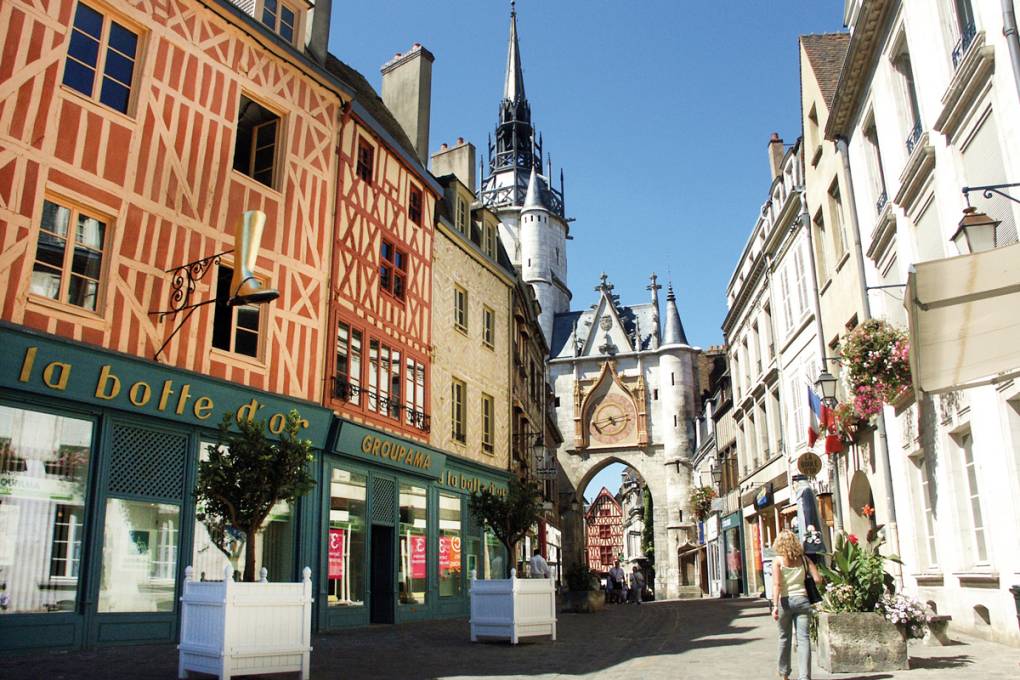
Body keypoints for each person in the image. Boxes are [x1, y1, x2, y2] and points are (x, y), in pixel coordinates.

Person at [771, 529, 823, 680]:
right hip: (803, 600)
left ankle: (784, 674)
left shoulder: (778, 561)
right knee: (803, 639)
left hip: (785, 601)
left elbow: (777, 585)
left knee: (784, 638)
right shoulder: (805, 560)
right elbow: (818, 579)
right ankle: (804, 677)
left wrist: (774, 606)